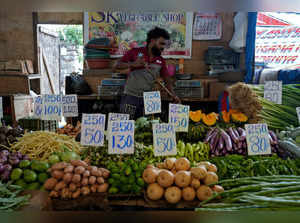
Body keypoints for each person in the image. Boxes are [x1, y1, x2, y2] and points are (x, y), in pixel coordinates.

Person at [113, 27, 181, 119]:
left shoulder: (160, 60)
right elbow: (116, 65)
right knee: (127, 125)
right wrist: (133, 64)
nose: (163, 47)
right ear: (152, 41)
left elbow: (167, 79)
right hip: (130, 96)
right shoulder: (135, 52)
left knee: (150, 126)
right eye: (161, 43)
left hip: (151, 98)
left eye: (164, 45)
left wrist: (173, 95)